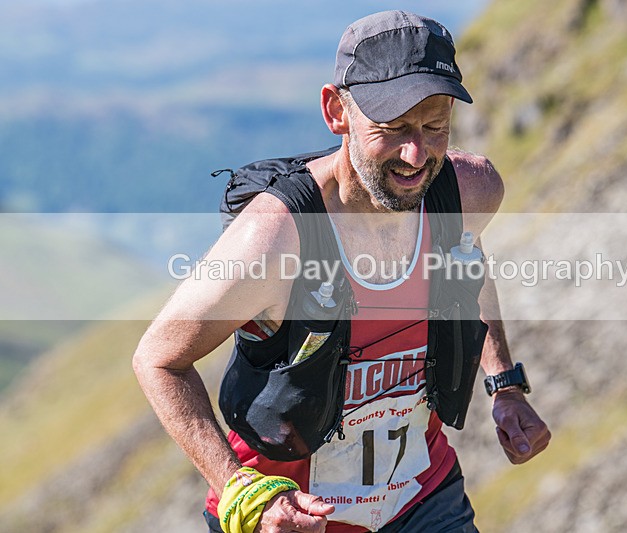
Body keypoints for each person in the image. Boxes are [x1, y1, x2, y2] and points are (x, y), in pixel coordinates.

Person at [133, 10, 550, 533]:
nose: (416, 154)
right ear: (337, 111)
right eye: (393, 128)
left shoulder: (467, 192)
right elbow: (157, 360)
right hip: (293, 517)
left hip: (422, 500)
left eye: (435, 127)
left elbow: (468, 263)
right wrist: (242, 492)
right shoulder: (277, 237)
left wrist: (504, 384)